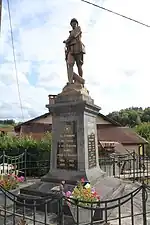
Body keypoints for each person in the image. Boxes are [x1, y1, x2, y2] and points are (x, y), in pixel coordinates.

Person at [63, 18, 85, 84]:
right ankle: (70, 81)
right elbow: (69, 39)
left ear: (77, 24)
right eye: (72, 23)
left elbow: (73, 36)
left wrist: (67, 41)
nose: (73, 24)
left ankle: (80, 81)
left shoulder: (78, 28)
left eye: (75, 23)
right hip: (71, 50)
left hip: (78, 48)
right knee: (70, 64)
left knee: (79, 65)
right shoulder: (70, 32)